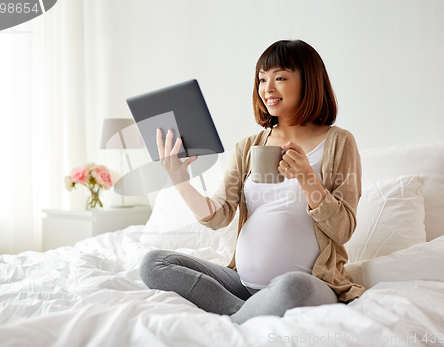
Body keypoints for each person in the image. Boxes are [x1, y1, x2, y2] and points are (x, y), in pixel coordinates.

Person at [140, 39, 365, 324]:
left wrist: (309, 180)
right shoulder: (248, 146)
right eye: (261, 79)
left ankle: (234, 317)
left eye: (280, 78)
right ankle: (244, 313)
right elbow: (218, 214)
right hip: (241, 284)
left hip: (310, 282)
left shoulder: (338, 142)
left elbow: (343, 229)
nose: (267, 89)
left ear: (309, 81)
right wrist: (180, 181)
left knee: (292, 286)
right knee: (154, 263)